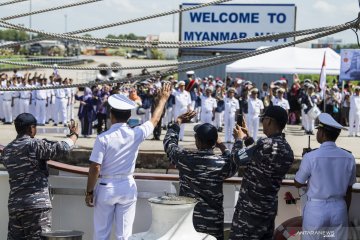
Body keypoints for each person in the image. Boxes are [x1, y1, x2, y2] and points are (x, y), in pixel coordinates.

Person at [85, 83, 171, 240]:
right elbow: (155, 119)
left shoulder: (103, 138)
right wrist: (163, 100)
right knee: (124, 235)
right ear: (129, 117)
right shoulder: (136, 133)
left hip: (106, 187)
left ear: (111, 115)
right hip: (127, 186)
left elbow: (95, 167)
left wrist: (89, 191)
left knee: (100, 235)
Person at [0, 113, 79, 239]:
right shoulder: (34, 145)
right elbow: (61, 148)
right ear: (31, 128)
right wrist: (74, 135)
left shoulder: (7, 150)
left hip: (15, 206)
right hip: (37, 206)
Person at [163, 111, 238, 240]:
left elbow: (169, 143)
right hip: (213, 222)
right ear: (214, 142)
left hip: (188, 221)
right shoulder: (221, 163)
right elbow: (235, 161)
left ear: (197, 141)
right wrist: (222, 146)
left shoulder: (185, 158)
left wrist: (178, 123)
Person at [229, 106, 294, 240]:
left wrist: (239, 140)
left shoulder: (263, 143)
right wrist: (248, 139)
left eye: (263, 119)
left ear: (269, 121)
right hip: (268, 211)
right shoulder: (288, 149)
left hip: (249, 212)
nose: (262, 122)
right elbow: (260, 157)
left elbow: (237, 158)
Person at [294, 113, 356, 240]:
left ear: (321, 133)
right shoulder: (349, 157)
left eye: (318, 130)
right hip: (339, 208)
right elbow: (349, 190)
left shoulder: (310, 157)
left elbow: (298, 183)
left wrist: (304, 161)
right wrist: (343, 211)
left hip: (316, 210)